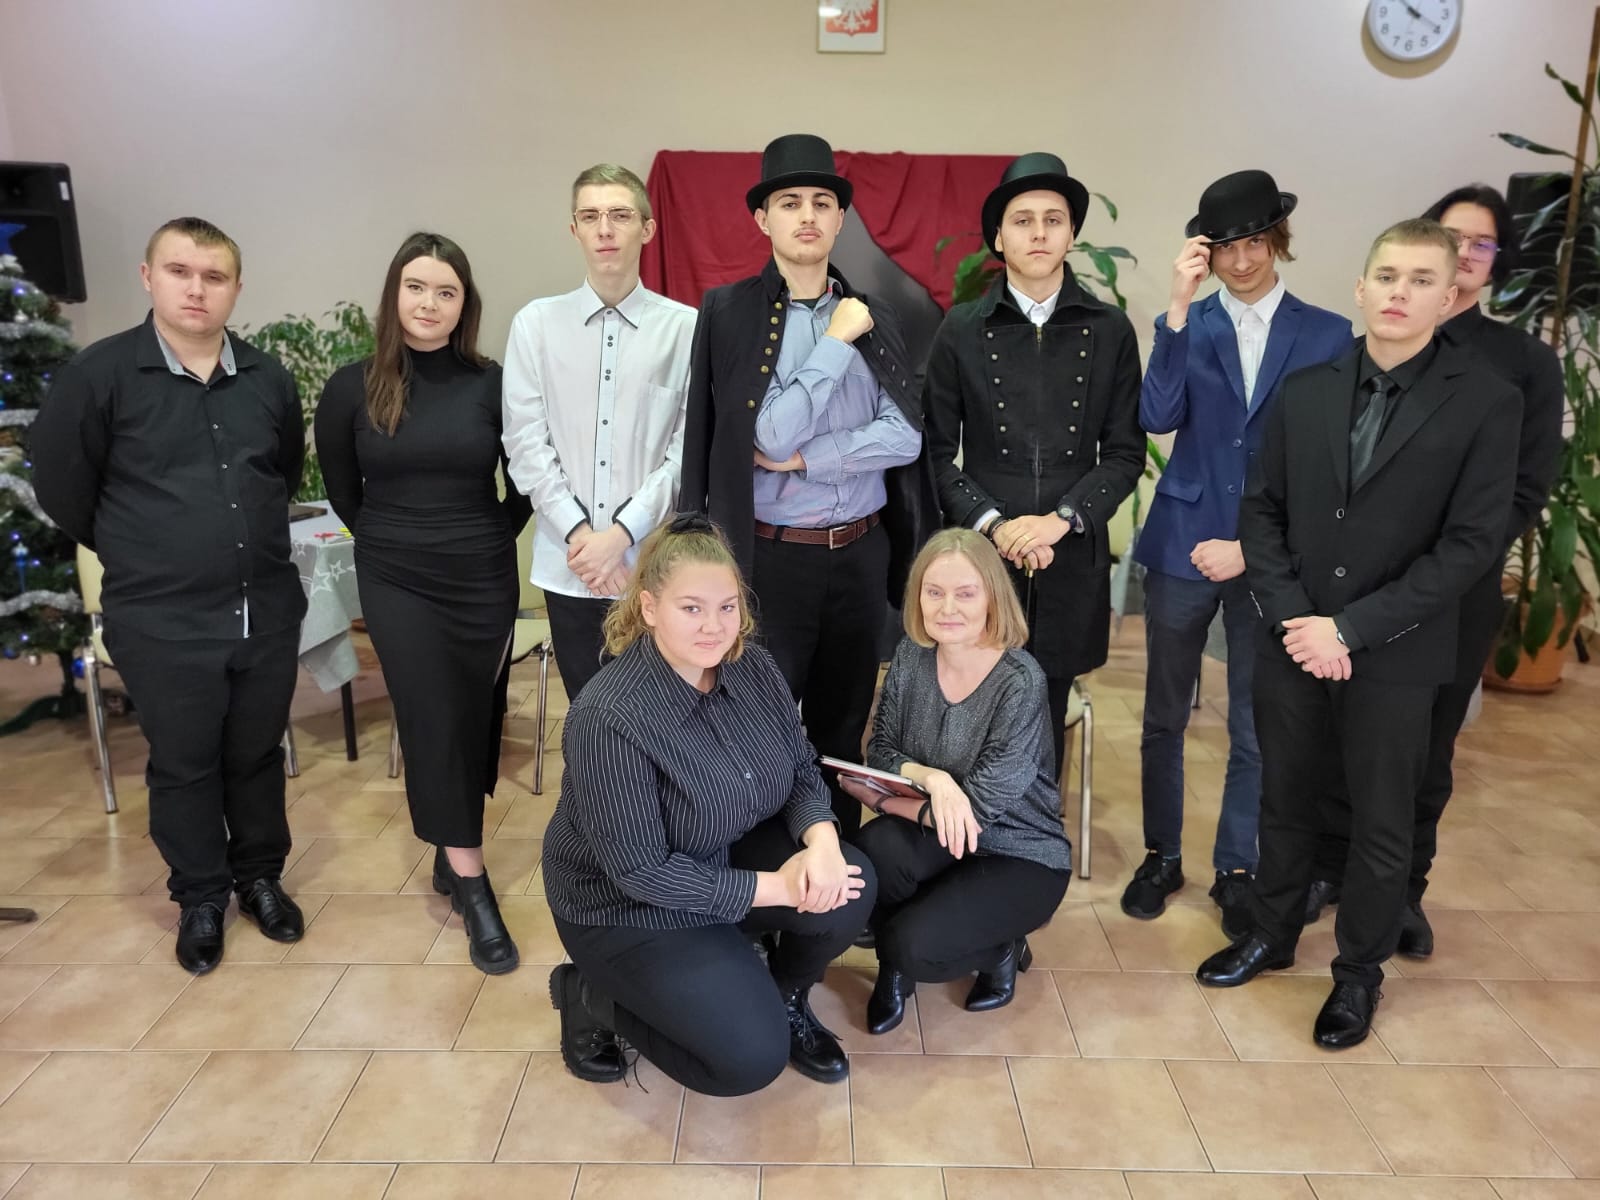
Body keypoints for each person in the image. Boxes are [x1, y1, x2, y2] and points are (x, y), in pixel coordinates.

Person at [1197, 219, 1523, 1049]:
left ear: (1449, 297)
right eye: (1386, 276)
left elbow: (1472, 545)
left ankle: (1357, 975)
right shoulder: (1306, 388)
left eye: (1421, 280)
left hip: (1397, 648)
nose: (1399, 293)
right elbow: (1262, 512)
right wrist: (1294, 619)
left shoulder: (1487, 401)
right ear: (1360, 287)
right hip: (1294, 638)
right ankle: (1271, 932)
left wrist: (1349, 628)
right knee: (1285, 795)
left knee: (1381, 819)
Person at [32, 217, 307, 975]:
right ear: (148, 277)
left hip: (263, 609)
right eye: (180, 271)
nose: (196, 289)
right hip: (161, 618)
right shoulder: (99, 376)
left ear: (236, 289)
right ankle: (201, 897)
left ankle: (260, 878)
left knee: (255, 754)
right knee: (185, 763)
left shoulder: (268, 378)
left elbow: (282, 472)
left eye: (214, 277)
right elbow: (62, 487)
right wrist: (145, 548)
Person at [1303, 184, 1565, 955]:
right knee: (1335, 738)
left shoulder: (1519, 364)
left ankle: (1403, 891)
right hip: (1349, 587)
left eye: (1481, 243)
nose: (1465, 252)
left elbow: (1525, 489)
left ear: (1482, 266)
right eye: (1452, 236)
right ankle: (1329, 869)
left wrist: (1449, 557)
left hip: (1451, 594)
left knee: (1425, 750)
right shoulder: (1362, 355)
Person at [542, 515, 876, 1096]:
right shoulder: (607, 717)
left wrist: (822, 842)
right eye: (691, 608)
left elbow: (800, 765)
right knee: (749, 1060)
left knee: (850, 885)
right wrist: (780, 887)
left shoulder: (753, 665)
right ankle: (590, 995)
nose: (714, 626)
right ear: (649, 607)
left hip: (720, 844)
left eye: (726, 607)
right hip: (624, 904)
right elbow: (642, 872)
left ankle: (783, 996)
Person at [679, 133, 934, 838]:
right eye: (790, 202)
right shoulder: (729, 312)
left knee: (844, 725)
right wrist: (832, 343)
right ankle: (765, 868)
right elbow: (765, 435)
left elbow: (905, 436)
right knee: (756, 727)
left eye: (822, 202)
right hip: (770, 556)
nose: (808, 215)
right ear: (763, 218)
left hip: (861, 553)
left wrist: (807, 460)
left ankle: (838, 865)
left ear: (840, 219)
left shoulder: (876, 315)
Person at [1123, 171, 1352, 927]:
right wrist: (1175, 310)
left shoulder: (1326, 334)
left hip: (1270, 556)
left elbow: (1326, 461)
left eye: (1255, 242)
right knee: (1164, 714)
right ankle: (1161, 855)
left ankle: (1237, 866)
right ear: (1206, 253)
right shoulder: (1189, 324)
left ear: (1276, 241)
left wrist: (1254, 548)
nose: (1243, 260)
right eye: (1226, 247)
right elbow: (1157, 417)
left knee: (1255, 723)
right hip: (1182, 544)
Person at [315, 232, 530, 975]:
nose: (429, 303)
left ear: (465, 304)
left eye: (446, 291)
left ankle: (448, 843)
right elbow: (344, 491)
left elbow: (525, 483)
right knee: (431, 714)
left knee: (472, 715)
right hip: (396, 577)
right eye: (416, 287)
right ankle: (473, 883)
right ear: (393, 294)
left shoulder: (493, 383)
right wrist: (395, 540)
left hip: (481, 575)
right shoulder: (351, 387)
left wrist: (484, 536)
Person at [922, 151, 1144, 780]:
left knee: (1046, 710)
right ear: (999, 238)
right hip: (981, 555)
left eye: (1054, 219)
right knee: (968, 710)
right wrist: (995, 525)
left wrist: (1060, 520)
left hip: (1069, 552)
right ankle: (966, 827)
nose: (1039, 233)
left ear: (1072, 234)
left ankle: (1037, 831)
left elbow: (1125, 453)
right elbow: (933, 452)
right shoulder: (962, 328)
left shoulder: (1110, 329)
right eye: (1023, 220)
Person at [840, 529, 1072, 1035]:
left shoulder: (1020, 680)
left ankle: (999, 949)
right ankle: (895, 968)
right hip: (940, 831)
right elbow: (882, 749)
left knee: (910, 943)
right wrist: (934, 779)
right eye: (934, 592)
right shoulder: (912, 655)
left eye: (965, 593)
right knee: (872, 858)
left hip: (1018, 850)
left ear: (992, 598)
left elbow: (979, 809)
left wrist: (884, 800)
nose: (947, 608)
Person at [502, 163, 696, 703]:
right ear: (575, 230)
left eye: (619, 215)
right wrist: (582, 537)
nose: (605, 229)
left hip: (655, 565)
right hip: (572, 567)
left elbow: (686, 450)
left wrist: (621, 536)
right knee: (590, 719)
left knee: (664, 718)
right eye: (590, 216)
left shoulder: (685, 328)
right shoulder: (535, 325)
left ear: (647, 228)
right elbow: (524, 444)